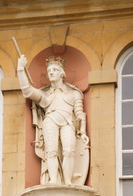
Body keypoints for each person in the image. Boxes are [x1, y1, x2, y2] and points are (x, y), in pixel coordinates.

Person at [17, 54, 89, 185]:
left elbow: (79, 114)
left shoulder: (74, 93)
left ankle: (67, 181)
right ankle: (54, 179)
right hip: (50, 120)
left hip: (68, 122)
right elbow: (27, 91)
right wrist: (20, 69)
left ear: (62, 73)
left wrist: (83, 132)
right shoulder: (45, 94)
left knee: (69, 150)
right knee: (51, 151)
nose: (51, 73)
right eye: (49, 71)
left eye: (54, 70)